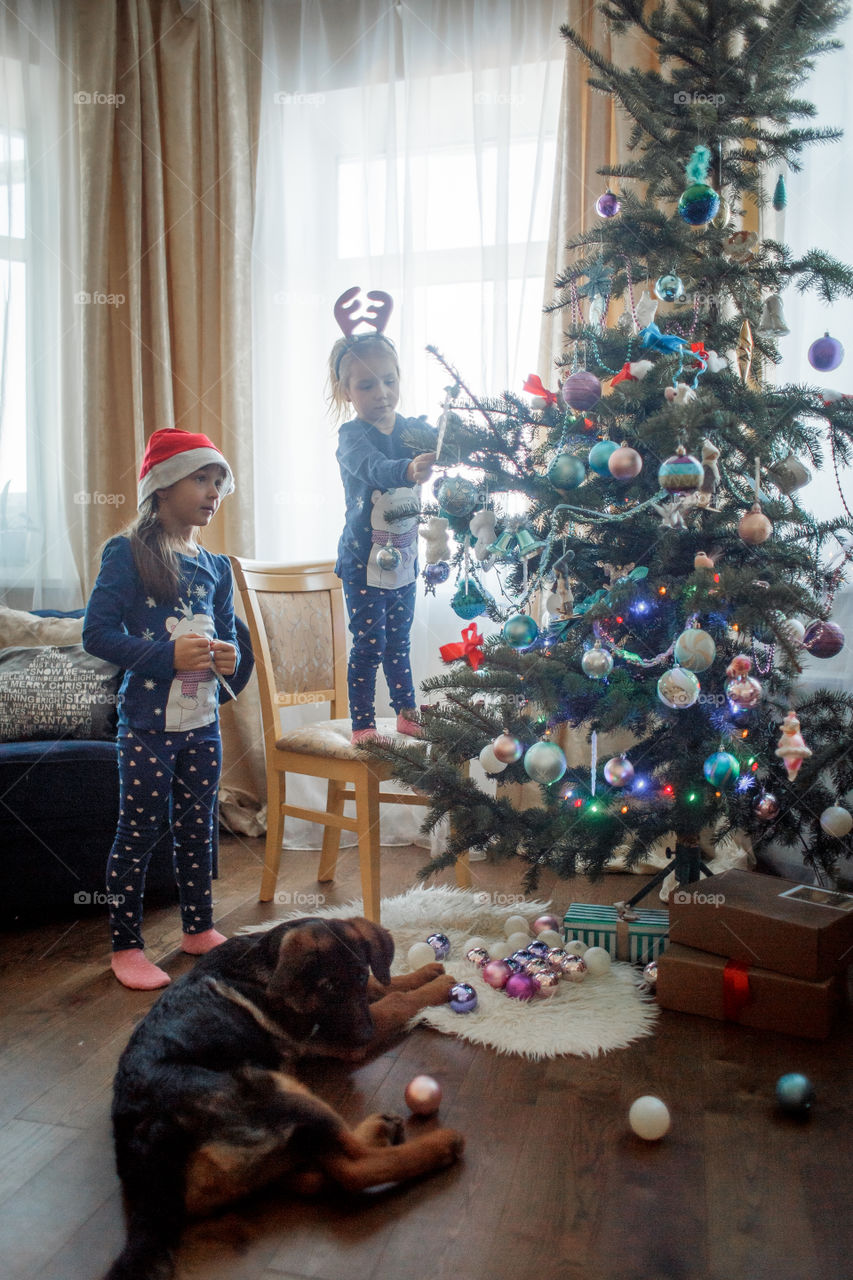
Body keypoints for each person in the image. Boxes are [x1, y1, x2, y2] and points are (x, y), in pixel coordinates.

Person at [83, 428, 239, 990]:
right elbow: (95, 634)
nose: (213, 491)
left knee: (198, 827)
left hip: (203, 725)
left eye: (219, 481)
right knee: (140, 830)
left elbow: (231, 642)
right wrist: (164, 655)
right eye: (201, 477)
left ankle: (199, 929)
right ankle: (126, 946)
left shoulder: (217, 566)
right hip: (147, 725)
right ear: (163, 484)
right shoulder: (127, 552)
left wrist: (227, 655)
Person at [328, 329, 436, 744]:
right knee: (370, 644)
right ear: (347, 391)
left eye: (389, 381)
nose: (381, 392)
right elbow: (372, 467)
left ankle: (407, 714)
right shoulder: (352, 438)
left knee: (399, 643)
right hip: (362, 563)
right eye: (367, 384)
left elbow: (446, 441)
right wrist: (407, 470)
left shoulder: (412, 429)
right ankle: (363, 725)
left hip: (405, 558)